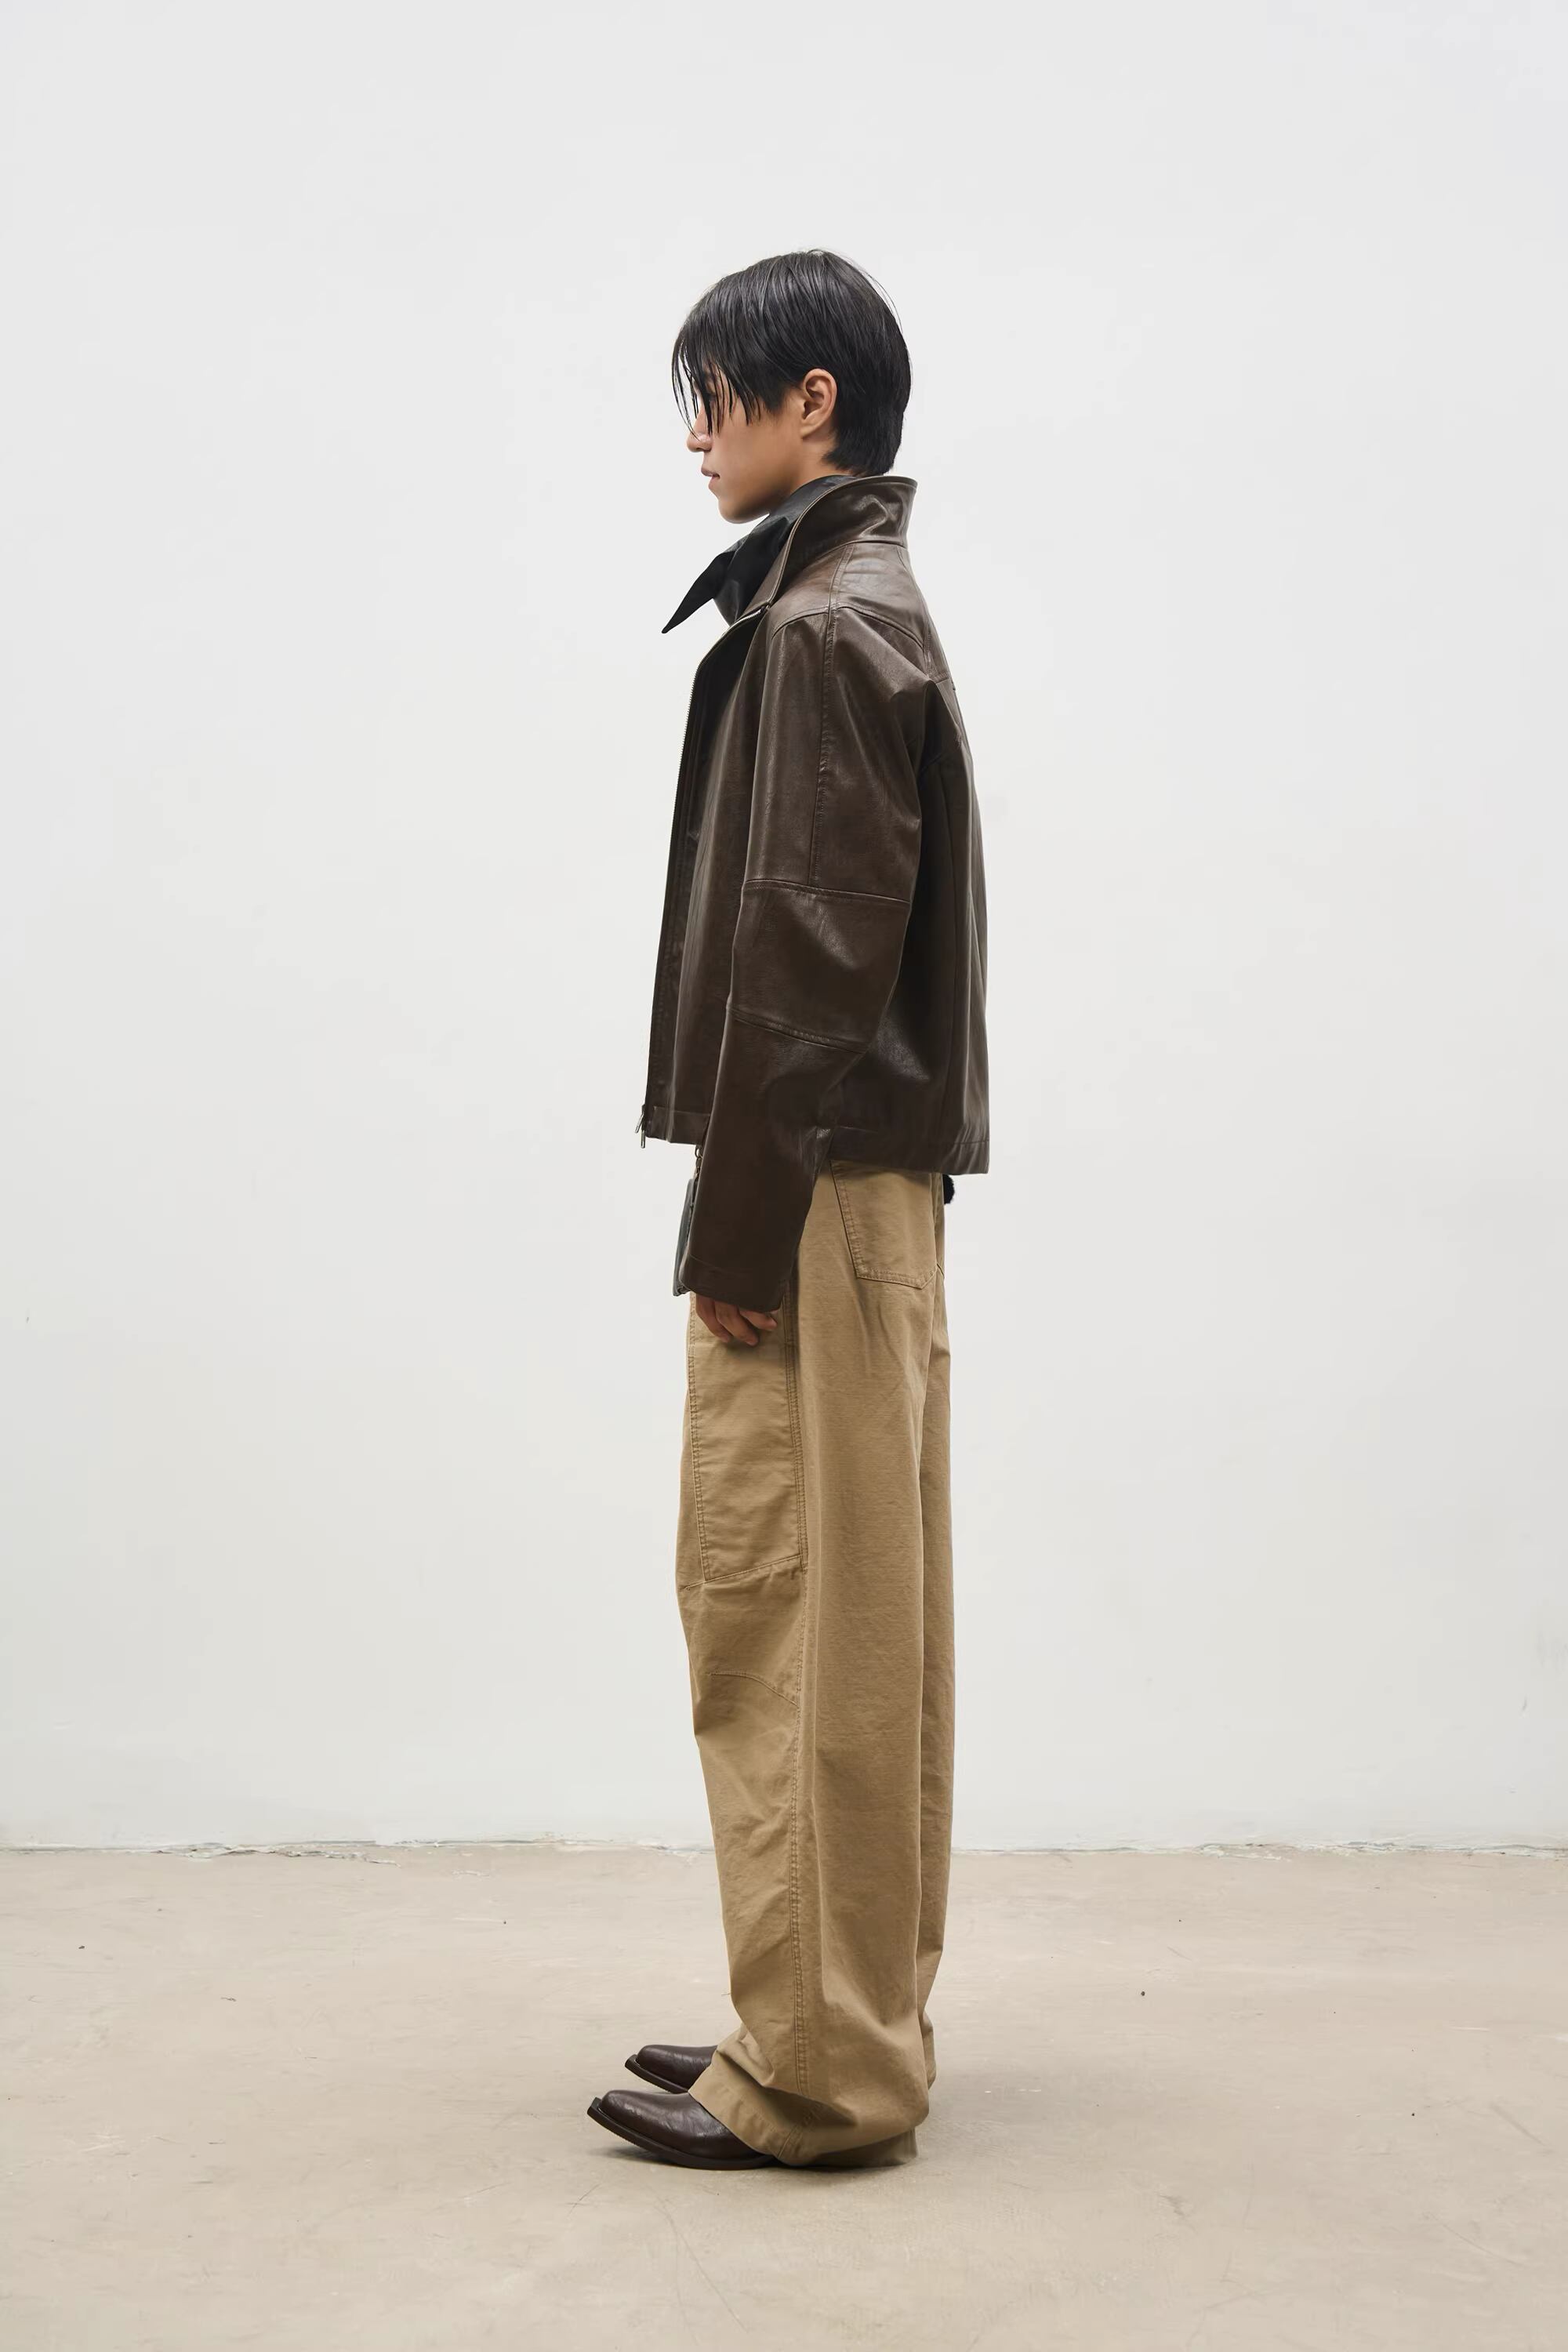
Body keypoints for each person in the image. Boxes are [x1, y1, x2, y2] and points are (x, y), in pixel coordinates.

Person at [587, 249, 989, 2171]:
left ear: (809, 403)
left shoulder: (827, 627)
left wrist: (735, 1234)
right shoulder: (849, 604)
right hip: (847, 1181)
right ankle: (842, 2012)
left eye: (716, 398)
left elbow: (808, 959)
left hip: (809, 1189)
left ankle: (822, 2072)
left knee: (788, 1614)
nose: (695, 436)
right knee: (858, 1618)